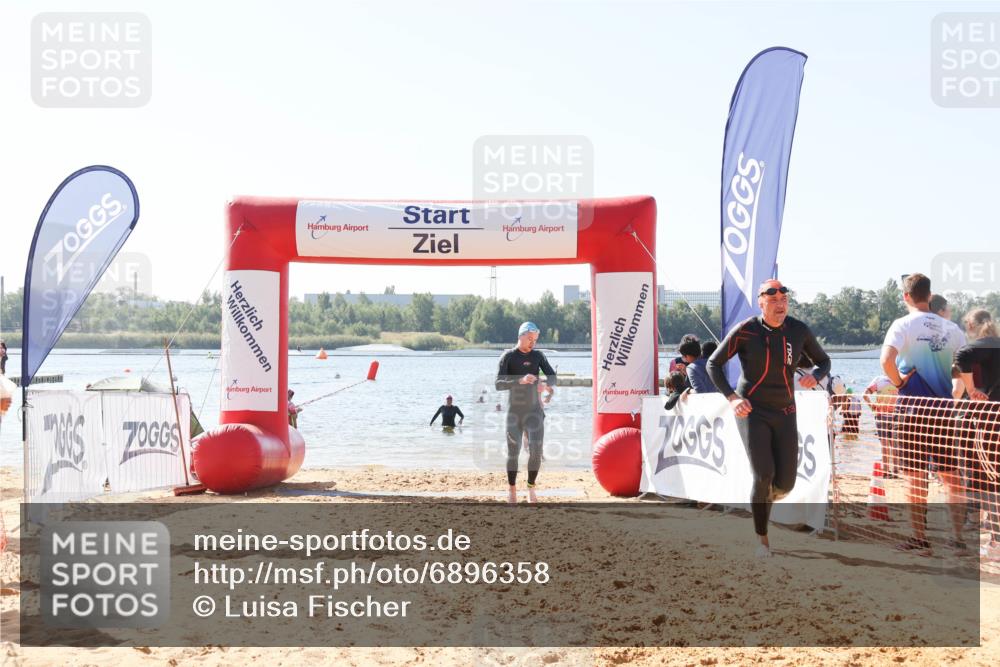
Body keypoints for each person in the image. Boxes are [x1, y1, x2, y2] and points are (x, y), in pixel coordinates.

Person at [707, 279, 831, 558]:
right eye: (773, 300)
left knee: (785, 484)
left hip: (785, 411)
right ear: (760, 302)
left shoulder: (798, 330)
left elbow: (824, 361)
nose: (780, 304)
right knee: (763, 474)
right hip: (752, 410)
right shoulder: (747, 330)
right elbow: (714, 363)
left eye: (784, 300)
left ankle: (761, 499)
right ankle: (762, 541)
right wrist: (732, 398)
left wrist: (816, 375)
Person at [880, 273, 967, 553]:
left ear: (906, 297)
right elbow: (965, 367)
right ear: (929, 296)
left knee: (914, 476)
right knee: (951, 475)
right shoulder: (952, 328)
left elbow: (886, 360)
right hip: (943, 410)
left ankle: (919, 537)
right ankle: (957, 537)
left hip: (911, 409)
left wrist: (898, 383)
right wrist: (951, 379)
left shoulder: (902, 324)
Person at [954, 309, 1000, 561]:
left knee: (991, 480)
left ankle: (996, 542)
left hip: (991, 421)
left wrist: (971, 390)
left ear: (971, 326)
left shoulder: (986, 345)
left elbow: (962, 355)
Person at [496, 321, 556, 504]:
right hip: (514, 412)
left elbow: (552, 377)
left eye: (535, 340)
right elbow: (498, 384)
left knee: (536, 451)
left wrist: (545, 384)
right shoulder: (508, 357)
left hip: (534, 412)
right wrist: (520, 381)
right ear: (521, 336)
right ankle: (512, 489)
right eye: (530, 338)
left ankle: (531, 488)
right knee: (513, 452)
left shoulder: (538, 356)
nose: (532, 342)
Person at [863, 375, 900, 477]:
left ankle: (886, 471)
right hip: (895, 416)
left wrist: (872, 406)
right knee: (894, 444)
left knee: (885, 445)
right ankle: (896, 471)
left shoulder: (878, 380)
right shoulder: (898, 378)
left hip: (881, 416)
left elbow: (865, 395)